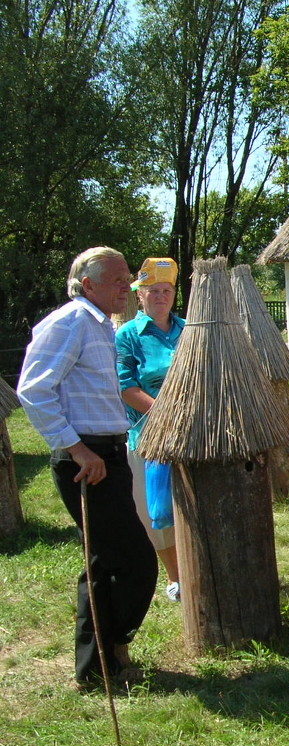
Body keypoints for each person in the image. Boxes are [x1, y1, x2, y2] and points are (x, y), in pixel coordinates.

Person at [17, 247, 158, 688]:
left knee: (102, 563)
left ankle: (96, 666)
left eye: (128, 278)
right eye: (118, 279)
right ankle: (111, 648)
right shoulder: (70, 322)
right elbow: (33, 391)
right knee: (134, 562)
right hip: (88, 461)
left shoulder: (101, 327)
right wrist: (78, 450)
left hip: (107, 454)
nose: (127, 286)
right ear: (89, 284)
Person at [115, 257, 184, 602]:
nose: (160, 296)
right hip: (149, 436)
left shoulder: (189, 330)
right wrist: (167, 413)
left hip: (192, 434)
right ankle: (175, 577)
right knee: (156, 510)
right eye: (153, 290)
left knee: (193, 505)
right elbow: (126, 385)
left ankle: (200, 565)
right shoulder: (128, 336)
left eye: (166, 290)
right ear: (139, 296)